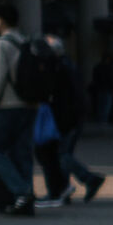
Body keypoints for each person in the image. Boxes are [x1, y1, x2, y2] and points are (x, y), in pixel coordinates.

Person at [34, 33, 105, 206]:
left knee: (62, 155)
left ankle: (88, 179)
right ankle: (65, 190)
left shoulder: (60, 68)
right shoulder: (67, 65)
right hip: (72, 117)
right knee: (62, 154)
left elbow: (65, 97)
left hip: (68, 118)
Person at [0, 7, 38, 215]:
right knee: (22, 152)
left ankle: (22, 192)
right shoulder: (26, 42)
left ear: (0, 21)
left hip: (7, 106)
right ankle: (26, 196)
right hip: (30, 105)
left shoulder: (1, 44)